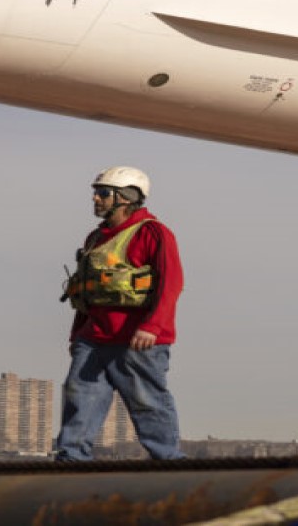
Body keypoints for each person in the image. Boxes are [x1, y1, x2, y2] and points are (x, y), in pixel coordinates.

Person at [55, 166, 186, 461]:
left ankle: (169, 463)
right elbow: (86, 290)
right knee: (79, 399)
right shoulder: (95, 238)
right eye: (96, 192)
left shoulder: (154, 233)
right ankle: (71, 461)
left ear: (125, 197)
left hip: (138, 342)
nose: (95, 198)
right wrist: (77, 335)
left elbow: (171, 283)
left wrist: (152, 327)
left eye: (103, 193)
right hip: (93, 340)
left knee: (148, 403)